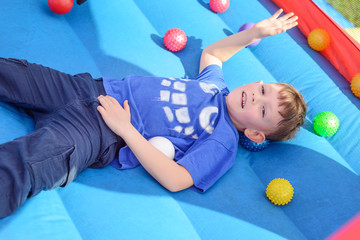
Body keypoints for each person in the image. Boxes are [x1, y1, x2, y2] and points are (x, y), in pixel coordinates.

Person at [0, 9, 305, 218]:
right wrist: (260, 31)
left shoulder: (222, 141)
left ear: (254, 133)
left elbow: (177, 179)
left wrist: (126, 130)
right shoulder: (216, 86)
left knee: (31, 163)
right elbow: (213, 53)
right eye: (262, 89)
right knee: (12, 73)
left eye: (262, 109)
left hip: (99, 131)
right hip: (85, 88)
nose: (254, 96)